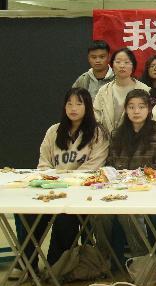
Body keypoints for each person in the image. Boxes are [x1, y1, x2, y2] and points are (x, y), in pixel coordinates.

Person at [23, 88, 109, 272]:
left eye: (78, 103)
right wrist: (53, 183)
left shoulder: (97, 133)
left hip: (81, 194)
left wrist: (65, 182)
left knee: (65, 217)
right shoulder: (53, 131)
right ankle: (27, 266)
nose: (73, 108)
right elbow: (44, 164)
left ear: (87, 107)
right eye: (69, 104)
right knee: (26, 213)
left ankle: (56, 268)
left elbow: (93, 168)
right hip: (51, 190)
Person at [98, 90, 156, 273]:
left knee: (127, 213)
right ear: (126, 109)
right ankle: (106, 258)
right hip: (119, 189)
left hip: (147, 189)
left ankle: (143, 260)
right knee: (99, 214)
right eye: (131, 107)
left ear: (149, 109)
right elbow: (110, 164)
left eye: (141, 107)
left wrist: (136, 176)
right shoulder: (117, 134)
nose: (136, 111)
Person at [93, 48, 150, 136]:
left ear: (133, 66)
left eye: (126, 62)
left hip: (137, 140)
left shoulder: (144, 90)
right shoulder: (104, 90)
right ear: (112, 65)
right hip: (106, 141)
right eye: (118, 62)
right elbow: (96, 117)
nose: (122, 66)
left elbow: (150, 119)